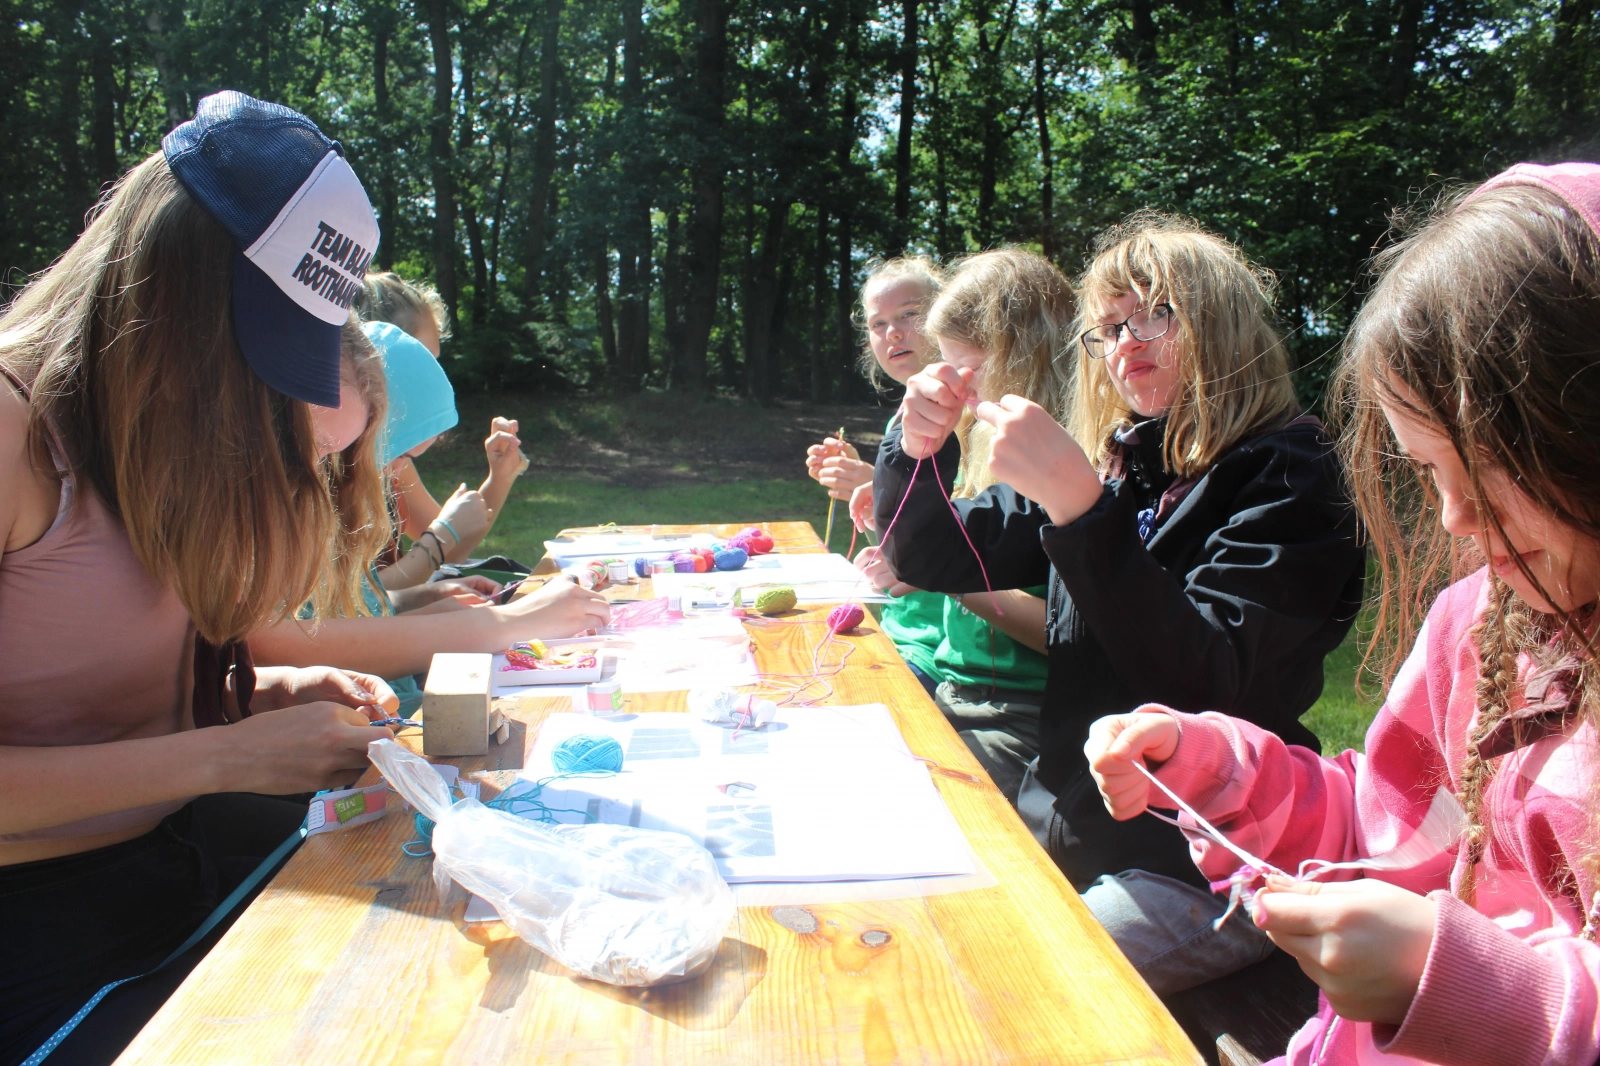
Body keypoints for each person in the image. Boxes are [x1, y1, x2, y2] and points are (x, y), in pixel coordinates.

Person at [1086, 162, 1600, 1065]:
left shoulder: (1279, 473)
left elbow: (1207, 648)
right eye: (1429, 471)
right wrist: (1213, 767)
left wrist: (1462, 983)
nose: (1455, 518)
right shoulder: (1478, 625)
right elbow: (1382, 828)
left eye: (1491, 467)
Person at [0, 92, 405, 1066]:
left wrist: (260, 695)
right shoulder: (13, 430)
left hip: (172, 868)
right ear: (164, 298)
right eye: (256, 358)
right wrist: (226, 758)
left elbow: (93, 706)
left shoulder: (150, 440)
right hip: (36, 944)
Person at [874, 214, 1364, 993]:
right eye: (1106, 329)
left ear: (1223, 325)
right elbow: (927, 554)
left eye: (1155, 315)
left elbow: (1206, 682)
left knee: (998, 990)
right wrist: (915, 448)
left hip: (1202, 861)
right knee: (901, 908)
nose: (1125, 344)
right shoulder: (1128, 465)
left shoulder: (1292, 476)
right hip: (1075, 823)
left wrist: (1080, 510)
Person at [853, 249, 1067, 802]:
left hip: (1020, 708)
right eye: (878, 323)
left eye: (973, 370)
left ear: (1028, 356)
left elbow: (1070, 635)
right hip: (960, 685)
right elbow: (925, 551)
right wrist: (899, 500)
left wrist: (945, 575)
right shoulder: (974, 426)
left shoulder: (1055, 452)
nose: (966, 394)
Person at [804, 257, 953, 696]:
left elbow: (966, 543)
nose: (893, 333)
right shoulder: (898, 424)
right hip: (897, 631)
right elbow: (899, 552)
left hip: (940, 654)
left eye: (910, 314)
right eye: (878, 323)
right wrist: (872, 494)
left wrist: (879, 486)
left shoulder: (966, 417)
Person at [356, 272, 525, 571]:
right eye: (424, 360)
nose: (435, 377)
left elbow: (447, 550)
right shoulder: (334, 465)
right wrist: (441, 537)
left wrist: (500, 477)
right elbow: (362, 595)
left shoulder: (396, 462)